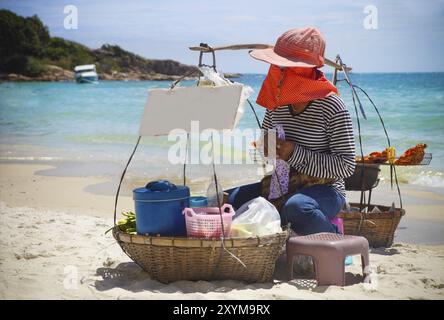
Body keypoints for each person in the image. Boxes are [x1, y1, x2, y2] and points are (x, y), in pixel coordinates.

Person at [226, 27, 356, 235]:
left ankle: (334, 236)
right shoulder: (276, 105)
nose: (277, 74)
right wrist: (266, 147)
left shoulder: (332, 106)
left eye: (284, 68)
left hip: (326, 190)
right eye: (277, 67)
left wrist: (293, 152)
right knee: (226, 202)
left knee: (296, 208)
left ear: (303, 72)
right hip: (282, 183)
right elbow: (266, 154)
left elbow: (346, 167)